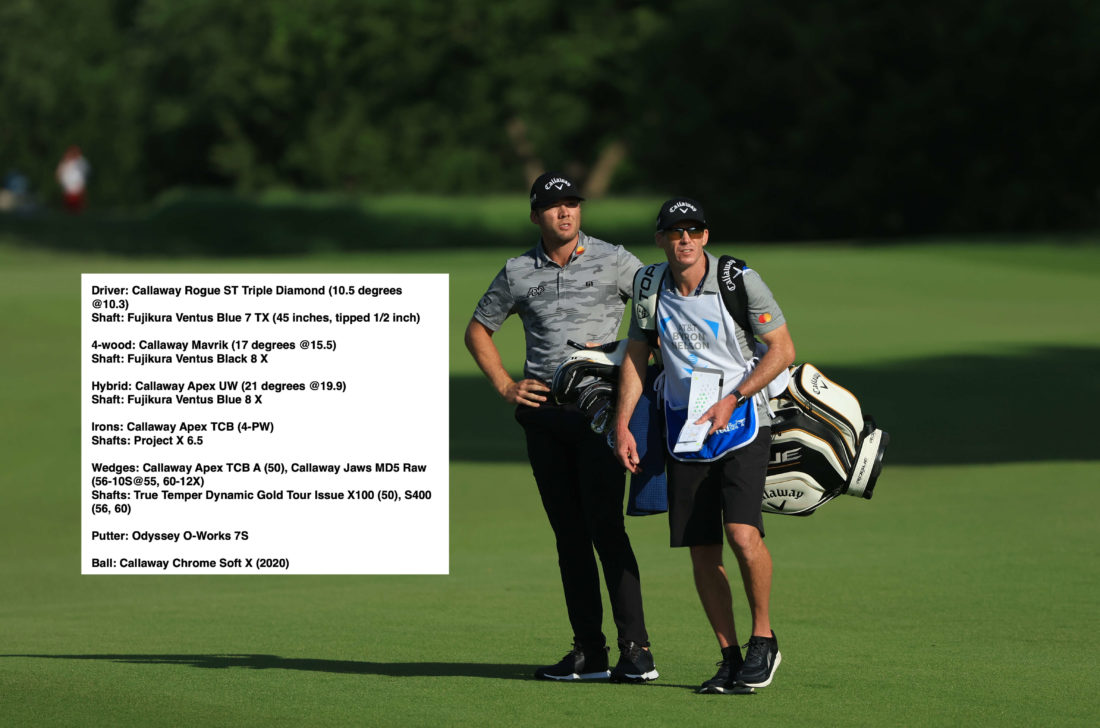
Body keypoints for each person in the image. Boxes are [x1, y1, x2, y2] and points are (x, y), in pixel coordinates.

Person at [464, 172, 657, 683]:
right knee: (568, 536)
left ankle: (636, 651)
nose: (565, 213)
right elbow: (478, 330)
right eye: (553, 206)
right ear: (536, 216)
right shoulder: (517, 271)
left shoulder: (615, 259)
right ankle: (589, 653)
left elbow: (658, 311)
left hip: (600, 417)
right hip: (544, 418)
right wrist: (506, 385)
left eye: (572, 204)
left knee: (606, 530)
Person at [612, 197, 795, 695]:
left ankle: (763, 640)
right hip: (683, 429)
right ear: (661, 240)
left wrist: (734, 398)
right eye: (674, 232)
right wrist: (624, 423)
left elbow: (782, 349)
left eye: (693, 231)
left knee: (741, 535)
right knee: (701, 551)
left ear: (706, 237)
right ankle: (730, 656)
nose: (684, 240)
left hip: (741, 422)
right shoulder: (648, 285)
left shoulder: (738, 279)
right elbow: (636, 354)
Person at [56, 146, 90, 213]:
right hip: (68, 186)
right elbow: (59, 172)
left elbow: (86, 171)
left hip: (78, 186)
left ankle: (77, 212)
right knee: (69, 203)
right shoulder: (65, 162)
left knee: (77, 204)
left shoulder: (81, 161)